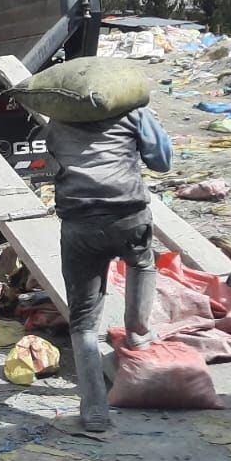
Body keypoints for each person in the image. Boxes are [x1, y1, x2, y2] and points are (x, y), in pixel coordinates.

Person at [45, 107, 173, 431]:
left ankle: (95, 411)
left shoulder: (58, 121)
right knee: (142, 263)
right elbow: (162, 162)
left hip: (79, 226)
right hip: (129, 218)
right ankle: (137, 331)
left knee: (84, 321)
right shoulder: (135, 115)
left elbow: (52, 166)